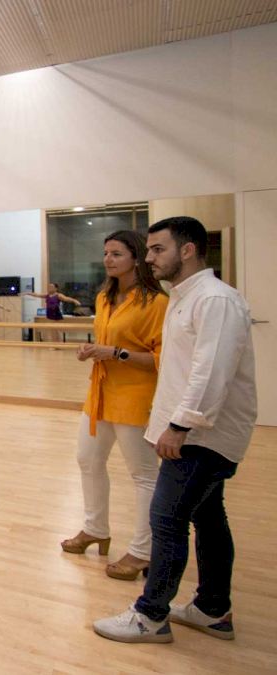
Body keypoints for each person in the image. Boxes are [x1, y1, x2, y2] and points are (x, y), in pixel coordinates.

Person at [94, 216, 257, 643]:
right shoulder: (185, 298)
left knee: (166, 520)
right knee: (209, 517)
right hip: (190, 431)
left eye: (157, 249)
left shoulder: (214, 300)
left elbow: (210, 372)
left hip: (201, 436)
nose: (148, 258)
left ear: (187, 250)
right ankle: (212, 609)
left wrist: (180, 425)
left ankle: (150, 616)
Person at [60, 231, 167, 581]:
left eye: (117, 253)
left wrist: (116, 353)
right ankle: (95, 529)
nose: (108, 259)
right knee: (88, 459)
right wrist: (92, 350)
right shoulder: (104, 297)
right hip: (100, 393)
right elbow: (106, 341)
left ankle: (143, 551)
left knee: (143, 474)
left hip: (135, 396)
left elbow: (162, 359)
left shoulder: (156, 303)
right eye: (106, 253)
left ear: (137, 258)